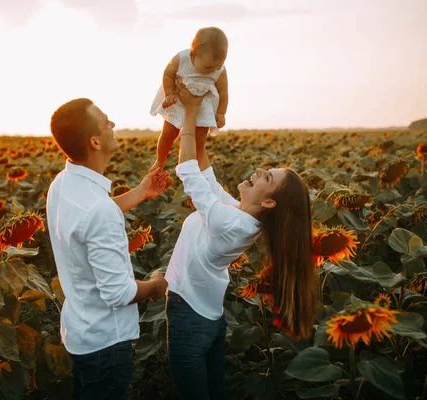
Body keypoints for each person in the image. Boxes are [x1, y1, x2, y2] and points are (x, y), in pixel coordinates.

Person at [164, 78, 316, 399]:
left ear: (269, 202)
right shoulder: (238, 215)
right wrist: (206, 107)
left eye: (268, 177)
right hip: (208, 317)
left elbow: (188, 170)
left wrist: (189, 114)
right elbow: (204, 169)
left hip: (190, 319)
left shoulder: (230, 223)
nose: (260, 170)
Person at [46, 98, 169, 400]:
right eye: (105, 121)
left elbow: (90, 218)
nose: (113, 124)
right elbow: (119, 293)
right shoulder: (97, 209)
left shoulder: (63, 184)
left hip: (79, 331)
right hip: (106, 344)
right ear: (95, 141)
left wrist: (141, 192)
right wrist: (156, 285)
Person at [149, 27, 229, 171]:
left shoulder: (220, 69)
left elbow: (223, 92)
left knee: (198, 141)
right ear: (193, 56)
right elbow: (168, 74)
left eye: (217, 67)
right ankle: (160, 161)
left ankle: (197, 168)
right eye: (209, 67)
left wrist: (221, 113)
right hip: (177, 100)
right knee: (167, 135)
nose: (213, 71)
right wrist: (170, 94)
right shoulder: (181, 59)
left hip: (203, 105)